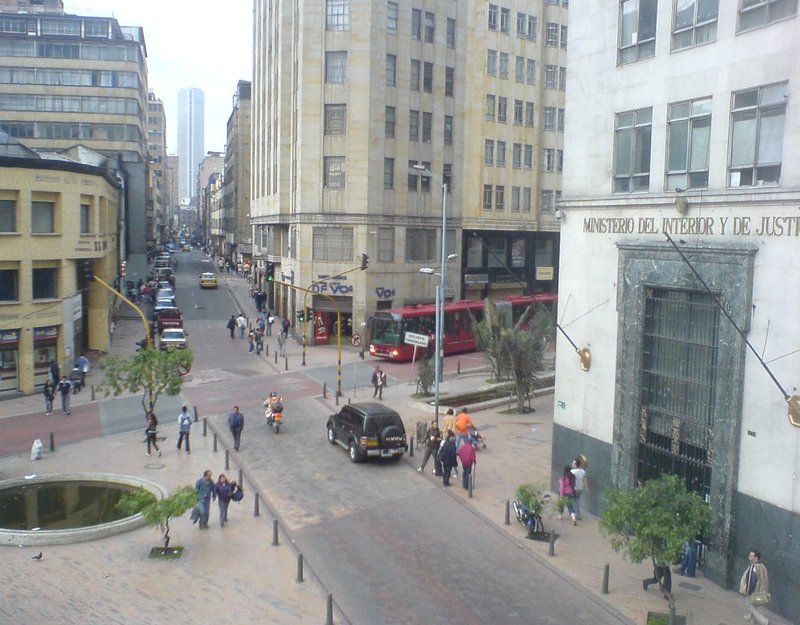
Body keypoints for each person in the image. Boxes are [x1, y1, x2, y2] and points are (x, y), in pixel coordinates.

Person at [740, 549, 770, 625]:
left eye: (751, 556)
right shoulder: (762, 566)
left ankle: (764, 621)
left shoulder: (754, 567)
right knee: (754, 606)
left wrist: (748, 592)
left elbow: (752, 581)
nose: (749, 557)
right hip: (760, 591)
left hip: (753, 591)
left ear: (756, 557)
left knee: (750, 605)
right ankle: (751, 620)